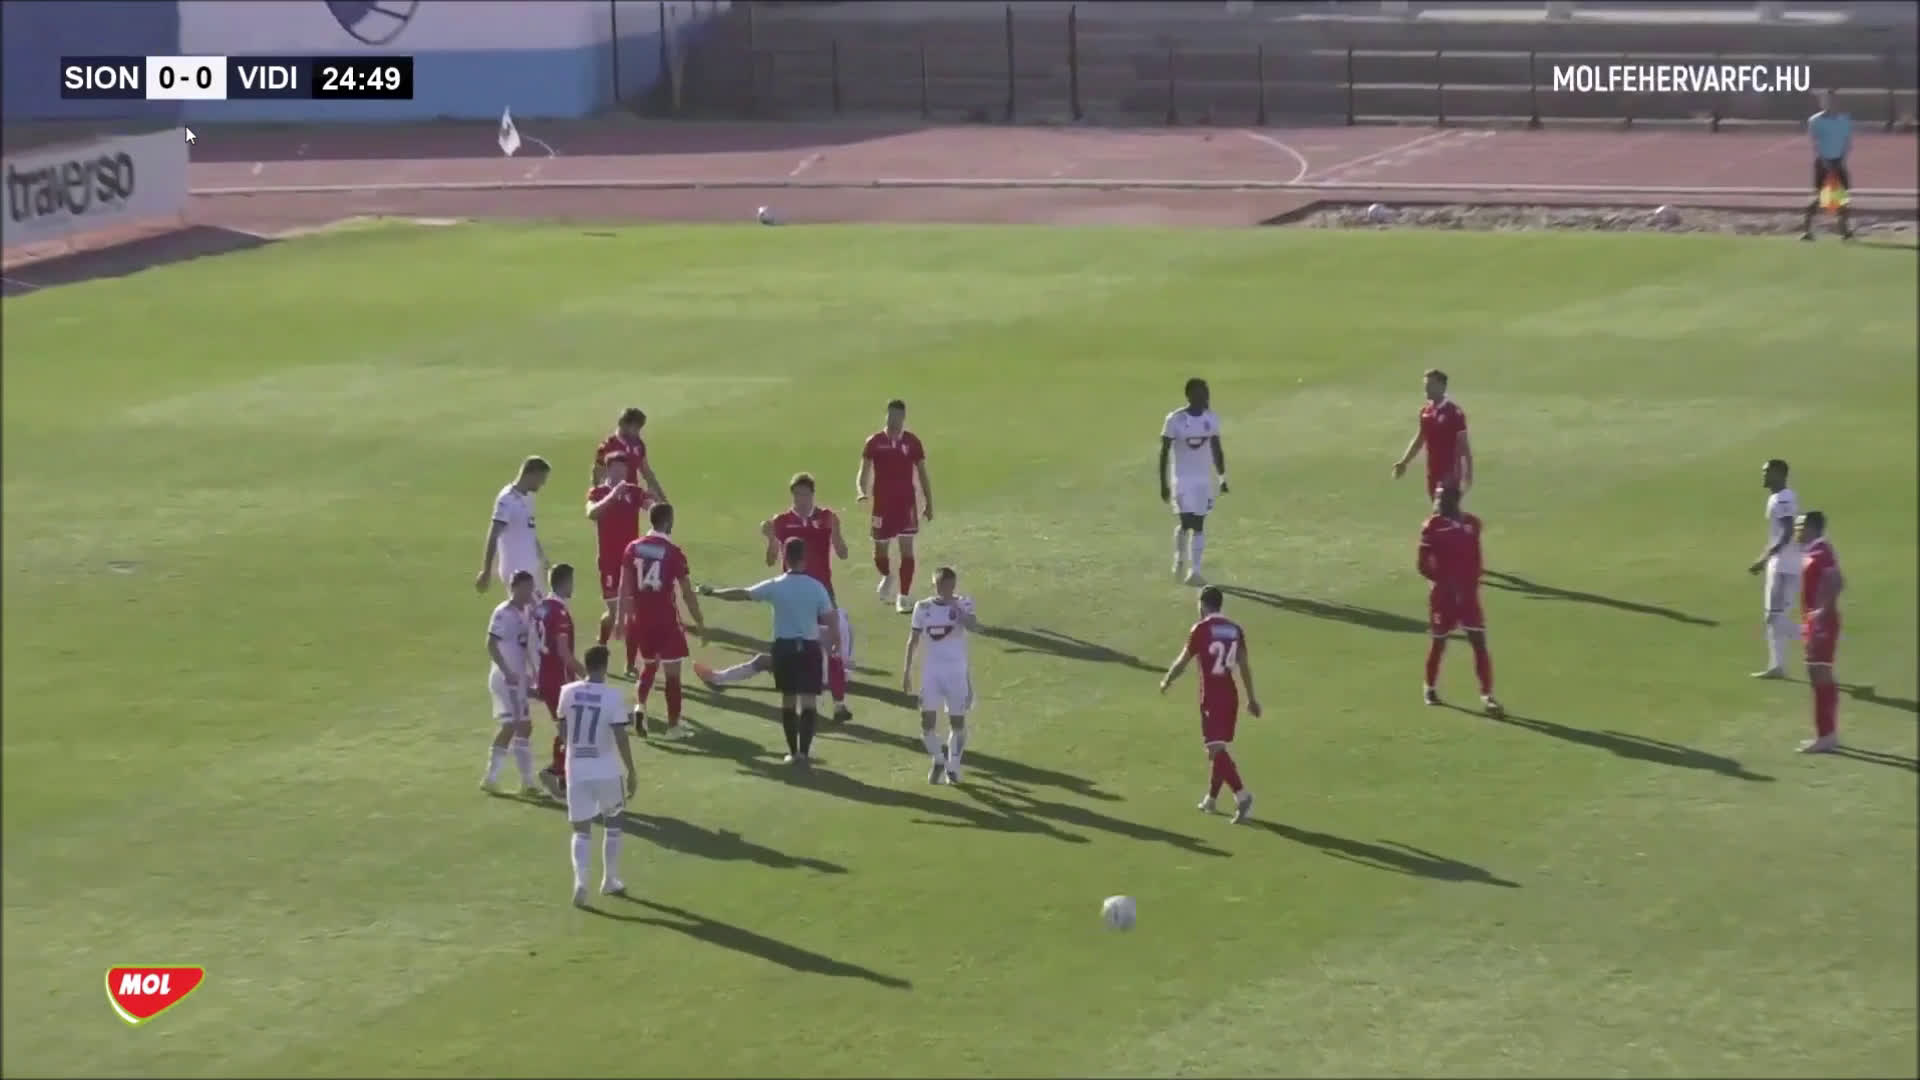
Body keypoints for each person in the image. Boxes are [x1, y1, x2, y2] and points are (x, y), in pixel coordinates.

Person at [698, 475, 857, 722]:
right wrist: (771, 538)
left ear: (813, 494)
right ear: (792, 495)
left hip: (822, 593)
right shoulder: (781, 521)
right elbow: (771, 559)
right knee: (806, 652)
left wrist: (836, 531)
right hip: (793, 596)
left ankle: (837, 702)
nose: (802, 499)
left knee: (828, 648)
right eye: (797, 494)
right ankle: (830, 695)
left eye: (805, 494)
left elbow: (843, 553)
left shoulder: (827, 517)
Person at [698, 538, 838, 765]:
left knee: (788, 701)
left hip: (785, 649)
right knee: (809, 702)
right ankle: (804, 753)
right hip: (810, 649)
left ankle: (792, 753)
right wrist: (835, 644)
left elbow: (743, 593)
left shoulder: (775, 585)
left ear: (785, 557)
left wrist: (713, 592)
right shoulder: (817, 587)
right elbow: (831, 619)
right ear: (805, 559)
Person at [1158, 586, 1260, 823]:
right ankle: (1211, 800)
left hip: (1212, 697)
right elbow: (1244, 666)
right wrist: (1251, 698)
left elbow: (1183, 661)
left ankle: (1242, 796)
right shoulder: (1235, 629)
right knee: (1219, 748)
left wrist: (1167, 680)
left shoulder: (1201, 629)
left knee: (1215, 749)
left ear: (1203, 605)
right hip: (1231, 696)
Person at [555, 645, 638, 908]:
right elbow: (621, 737)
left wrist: (569, 747)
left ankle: (580, 882)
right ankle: (610, 879)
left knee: (581, 830)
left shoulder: (567, 691)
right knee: (613, 823)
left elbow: (562, 726)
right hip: (606, 770)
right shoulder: (613, 696)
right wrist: (631, 770)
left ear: (587, 664)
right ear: (604, 666)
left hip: (576, 769)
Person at [614, 502, 705, 740]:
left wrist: (620, 620)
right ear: (667, 521)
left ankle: (639, 707)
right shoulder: (673, 552)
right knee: (673, 675)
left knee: (649, 666)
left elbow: (624, 586)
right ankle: (673, 727)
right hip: (666, 620)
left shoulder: (633, 548)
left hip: (641, 620)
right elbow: (687, 592)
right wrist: (699, 620)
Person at [1418, 485, 1502, 716]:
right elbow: (1422, 565)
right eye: (1436, 498)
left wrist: (1472, 580)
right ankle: (1429, 688)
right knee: (1439, 643)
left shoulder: (1473, 524)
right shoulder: (1431, 527)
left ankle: (1487, 696)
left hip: (1468, 597)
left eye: (1440, 498)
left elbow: (1476, 558)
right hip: (1443, 598)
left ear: (1454, 500)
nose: (1436, 502)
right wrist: (1440, 581)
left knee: (1479, 643)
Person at [901, 566, 977, 784]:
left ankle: (954, 766)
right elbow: (913, 641)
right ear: (935, 585)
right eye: (941, 586)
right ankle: (938, 759)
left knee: (957, 723)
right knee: (926, 723)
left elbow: (973, 626)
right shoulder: (923, 607)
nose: (946, 590)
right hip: (932, 673)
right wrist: (907, 671)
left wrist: (957, 609)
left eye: (950, 586)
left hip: (956, 673)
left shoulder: (964, 603)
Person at [858, 399, 934, 615]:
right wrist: (861, 491)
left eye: (898, 416)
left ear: (904, 417)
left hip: (906, 504)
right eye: (891, 415)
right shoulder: (874, 442)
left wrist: (929, 502)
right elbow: (863, 471)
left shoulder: (912, 442)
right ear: (886, 415)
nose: (894, 420)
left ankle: (904, 596)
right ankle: (888, 575)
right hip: (882, 506)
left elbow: (922, 473)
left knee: (906, 549)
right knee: (879, 554)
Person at [1159, 377, 1227, 586]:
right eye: (1201, 392)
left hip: (1203, 482)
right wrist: (1164, 483)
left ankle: (1195, 572)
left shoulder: (1211, 418)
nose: (1206, 396)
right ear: (1190, 395)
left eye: (1206, 391)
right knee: (1186, 522)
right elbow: (1164, 452)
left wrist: (1222, 477)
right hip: (1181, 480)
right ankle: (1180, 559)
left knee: (1199, 524)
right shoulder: (1175, 419)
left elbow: (1216, 448)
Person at [586, 453, 653, 664]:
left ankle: (630, 663)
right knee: (614, 613)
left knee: (633, 614)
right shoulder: (598, 493)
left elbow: (652, 508)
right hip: (609, 561)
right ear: (608, 470)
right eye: (616, 468)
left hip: (632, 562)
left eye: (624, 469)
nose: (621, 472)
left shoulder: (634, 491)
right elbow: (591, 513)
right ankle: (601, 643)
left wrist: (655, 505)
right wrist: (613, 496)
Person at [482, 570, 542, 795]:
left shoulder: (526, 611)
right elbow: (490, 644)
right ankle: (495, 778)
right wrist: (507, 671)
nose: (530, 592)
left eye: (531, 587)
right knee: (513, 726)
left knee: (522, 726)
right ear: (514, 588)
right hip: (505, 678)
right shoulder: (503, 612)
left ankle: (525, 782)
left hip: (519, 678)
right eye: (526, 588)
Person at [1746, 458, 1801, 679]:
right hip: (1784, 563)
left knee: (1774, 617)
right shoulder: (1781, 497)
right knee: (1775, 617)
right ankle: (1777, 666)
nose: (1763, 475)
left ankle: (1815, 635)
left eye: (1767, 471)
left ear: (1778, 473)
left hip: (1783, 566)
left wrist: (1763, 558)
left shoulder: (1782, 499)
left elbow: (1787, 532)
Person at [534, 564, 585, 798]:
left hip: (545, 676)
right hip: (559, 680)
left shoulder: (541, 607)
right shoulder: (560, 613)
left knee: (566, 729)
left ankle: (562, 778)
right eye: (572, 582)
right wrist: (587, 676)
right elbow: (564, 654)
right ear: (565, 583)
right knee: (571, 730)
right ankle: (555, 772)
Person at [1795, 511, 1845, 753]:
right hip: (1815, 621)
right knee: (1819, 675)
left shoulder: (1821, 551)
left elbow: (1837, 581)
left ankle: (1826, 736)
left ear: (1812, 528)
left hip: (1821, 623)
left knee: (1820, 674)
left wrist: (1822, 612)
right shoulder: (1816, 550)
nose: (1797, 531)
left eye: (1800, 527)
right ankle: (1828, 733)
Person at [474, 456, 551, 598]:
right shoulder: (507, 499)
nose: (543, 483)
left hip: (531, 569)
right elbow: (494, 534)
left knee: (540, 608)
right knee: (532, 609)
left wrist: (541, 556)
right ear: (531, 474)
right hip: (517, 571)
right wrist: (486, 571)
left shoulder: (528, 497)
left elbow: (529, 529)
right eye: (541, 479)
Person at [1393, 369, 1471, 499]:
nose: (1426, 389)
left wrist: (1468, 473)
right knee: (1436, 505)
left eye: (1430, 385)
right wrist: (1404, 462)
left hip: (1450, 473)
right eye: (1425, 385)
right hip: (1432, 471)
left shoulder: (1453, 412)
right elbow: (1420, 439)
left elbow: (1464, 446)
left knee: (1445, 506)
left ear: (1442, 387)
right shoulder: (1425, 412)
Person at [1803, 90, 1855, 242]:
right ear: (1822, 103)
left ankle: (1845, 232)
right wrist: (1825, 162)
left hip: (1839, 162)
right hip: (1823, 163)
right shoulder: (1815, 121)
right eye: (1825, 101)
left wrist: (1842, 160)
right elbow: (1815, 143)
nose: (1829, 104)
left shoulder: (1845, 120)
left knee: (1843, 198)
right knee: (1818, 198)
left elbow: (1847, 142)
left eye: (1831, 101)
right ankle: (1807, 231)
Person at [592, 406, 668, 499]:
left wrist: (662, 499)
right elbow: (597, 473)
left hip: (632, 498)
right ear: (623, 424)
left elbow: (647, 473)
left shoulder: (638, 445)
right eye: (635, 428)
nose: (638, 432)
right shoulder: (607, 446)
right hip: (612, 497)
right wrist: (598, 497)